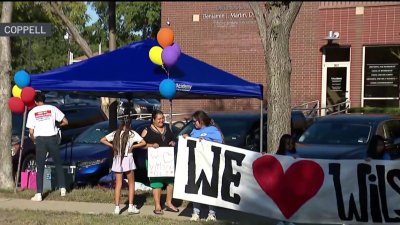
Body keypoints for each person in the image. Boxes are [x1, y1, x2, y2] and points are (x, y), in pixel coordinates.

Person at [26, 92, 69, 202]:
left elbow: (31, 131)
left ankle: (39, 193)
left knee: (40, 166)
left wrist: (33, 139)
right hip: (52, 138)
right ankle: (63, 188)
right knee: (58, 163)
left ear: (35, 102)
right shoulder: (52, 108)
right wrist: (56, 125)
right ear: (44, 100)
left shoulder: (32, 112)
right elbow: (65, 121)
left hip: (40, 139)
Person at [182, 110, 223, 222]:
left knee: (210, 188)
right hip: (196, 164)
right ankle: (196, 213)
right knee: (196, 188)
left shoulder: (213, 130)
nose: (194, 123)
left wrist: (206, 142)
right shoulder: (194, 131)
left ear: (201, 120)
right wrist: (186, 138)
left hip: (209, 165)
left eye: (195, 121)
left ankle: (212, 213)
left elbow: (220, 144)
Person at [100, 117, 146, 215]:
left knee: (118, 184)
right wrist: (133, 146)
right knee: (131, 183)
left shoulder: (115, 133)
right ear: (130, 124)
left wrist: (113, 146)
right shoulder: (132, 134)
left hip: (117, 158)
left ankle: (117, 208)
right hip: (127, 158)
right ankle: (130, 206)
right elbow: (143, 142)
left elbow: (102, 140)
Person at [141, 110, 179, 215]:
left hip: (167, 161)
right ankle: (157, 206)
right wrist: (151, 145)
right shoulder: (147, 130)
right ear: (153, 120)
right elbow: (140, 144)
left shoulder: (167, 128)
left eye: (162, 118)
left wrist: (173, 142)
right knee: (156, 182)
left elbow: (173, 139)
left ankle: (168, 202)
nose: (161, 120)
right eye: (159, 119)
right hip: (154, 161)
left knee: (171, 181)